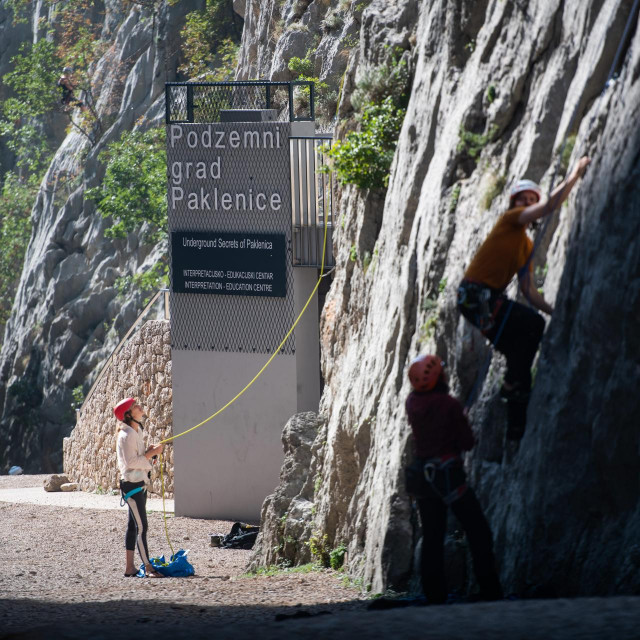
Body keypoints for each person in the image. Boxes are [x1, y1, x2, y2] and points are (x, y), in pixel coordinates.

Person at [457, 156, 591, 438]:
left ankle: (515, 424)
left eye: (532, 198)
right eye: (524, 199)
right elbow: (549, 206)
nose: (528, 203)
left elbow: (529, 290)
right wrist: (575, 175)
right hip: (476, 293)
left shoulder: (526, 245)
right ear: (515, 203)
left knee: (520, 348)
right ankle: (511, 387)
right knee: (531, 326)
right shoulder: (510, 221)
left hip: (482, 298)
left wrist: (555, 312)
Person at [405, 354, 503, 604]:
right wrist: (462, 417)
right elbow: (467, 442)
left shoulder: (412, 402)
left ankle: (434, 595)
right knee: (477, 530)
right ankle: (489, 588)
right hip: (449, 477)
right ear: (438, 378)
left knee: (432, 537)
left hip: (425, 480)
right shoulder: (448, 404)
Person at [114, 397, 165, 578]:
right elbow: (131, 463)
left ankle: (130, 568)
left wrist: (148, 452)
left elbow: (138, 458)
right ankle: (148, 568)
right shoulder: (126, 435)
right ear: (129, 415)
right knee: (142, 527)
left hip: (137, 485)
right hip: (132, 486)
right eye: (134, 406)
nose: (139, 406)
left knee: (133, 526)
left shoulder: (135, 431)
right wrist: (151, 453)